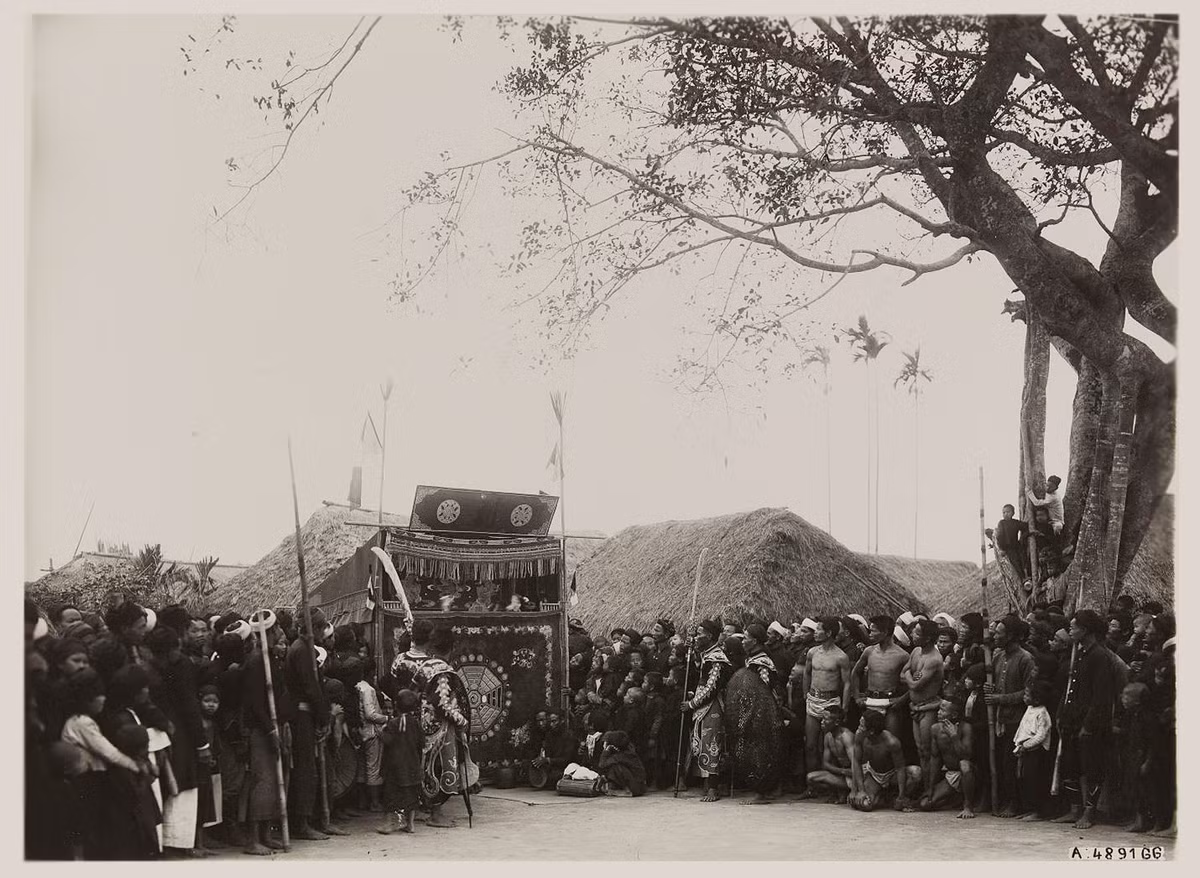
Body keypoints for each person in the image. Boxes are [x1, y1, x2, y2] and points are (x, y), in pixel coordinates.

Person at [392, 622, 477, 827]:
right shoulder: (438, 668)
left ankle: (415, 810)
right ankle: (436, 814)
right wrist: (463, 721)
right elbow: (443, 705)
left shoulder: (400, 661)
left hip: (407, 721)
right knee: (438, 768)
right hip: (434, 728)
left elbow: (400, 690)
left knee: (414, 767)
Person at [1053, 609, 1115, 830]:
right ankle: (1074, 809)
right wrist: (1062, 714)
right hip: (1071, 721)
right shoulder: (1079, 653)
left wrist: (1088, 726)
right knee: (1070, 764)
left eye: (1074, 626)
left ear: (1085, 630)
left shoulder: (1099, 656)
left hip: (1089, 724)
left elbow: (1100, 697)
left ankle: (1089, 811)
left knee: (1091, 768)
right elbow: (1071, 689)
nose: (1070, 629)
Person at [726, 623, 784, 803]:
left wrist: (758, 714)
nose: (743, 642)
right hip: (752, 712)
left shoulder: (762, 662)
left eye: (745, 638)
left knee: (761, 751)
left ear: (755, 641)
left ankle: (762, 792)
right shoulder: (752, 659)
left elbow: (764, 690)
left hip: (761, 714)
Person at [984, 615, 1036, 818]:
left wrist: (999, 698)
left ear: (1012, 636)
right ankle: (1005, 800)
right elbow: (995, 685)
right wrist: (990, 689)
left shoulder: (1025, 659)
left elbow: (1028, 693)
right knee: (1003, 764)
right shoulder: (997, 656)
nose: (995, 636)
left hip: (1017, 721)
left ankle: (1017, 804)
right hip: (999, 720)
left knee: (1013, 765)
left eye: (999, 632)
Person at [683, 619, 732, 802]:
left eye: (699, 634)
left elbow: (711, 687)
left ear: (710, 636)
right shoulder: (707, 655)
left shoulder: (717, 658)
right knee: (703, 742)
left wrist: (692, 704)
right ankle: (707, 782)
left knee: (712, 743)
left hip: (713, 705)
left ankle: (713, 787)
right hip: (703, 704)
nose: (697, 637)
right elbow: (701, 675)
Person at [802, 617, 852, 794]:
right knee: (810, 745)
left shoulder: (841, 657)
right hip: (813, 700)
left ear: (829, 633)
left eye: (818, 629)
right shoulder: (812, 652)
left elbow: (847, 683)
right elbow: (807, 674)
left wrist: (844, 707)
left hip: (831, 703)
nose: (815, 632)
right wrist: (805, 695)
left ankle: (832, 788)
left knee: (830, 746)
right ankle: (812, 786)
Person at [900, 618, 943, 802]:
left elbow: (916, 686)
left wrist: (910, 677)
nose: (912, 635)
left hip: (928, 708)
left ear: (927, 638)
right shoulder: (916, 651)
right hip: (915, 707)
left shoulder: (934, 659)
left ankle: (930, 789)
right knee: (920, 750)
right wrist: (911, 676)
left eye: (917, 633)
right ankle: (926, 788)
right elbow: (903, 675)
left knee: (928, 750)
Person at [851, 615, 910, 742]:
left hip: (890, 704)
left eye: (873, 631)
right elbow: (855, 673)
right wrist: (856, 696)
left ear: (885, 632)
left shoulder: (902, 655)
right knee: (865, 742)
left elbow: (914, 683)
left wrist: (901, 700)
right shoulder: (869, 651)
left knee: (891, 742)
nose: (870, 634)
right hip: (870, 701)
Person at [376, 688, 424, 835]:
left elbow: (388, 740)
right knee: (411, 796)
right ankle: (410, 825)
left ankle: (391, 823)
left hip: (395, 766)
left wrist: (380, 732)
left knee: (392, 795)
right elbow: (421, 742)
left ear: (396, 705)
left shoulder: (393, 723)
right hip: (412, 765)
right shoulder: (416, 723)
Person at [851, 709, 918, 811]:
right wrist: (860, 790)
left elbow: (900, 768)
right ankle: (883, 797)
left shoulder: (891, 742)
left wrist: (902, 796)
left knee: (916, 773)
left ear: (871, 731)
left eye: (861, 726)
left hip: (892, 774)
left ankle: (897, 798)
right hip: (874, 775)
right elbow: (856, 762)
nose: (858, 729)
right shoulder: (860, 736)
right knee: (864, 804)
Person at [927, 698, 975, 818]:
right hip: (951, 775)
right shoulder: (935, 729)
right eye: (939, 709)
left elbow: (966, 756)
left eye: (943, 710)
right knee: (925, 804)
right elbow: (935, 759)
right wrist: (931, 786)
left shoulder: (965, 727)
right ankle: (955, 799)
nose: (938, 712)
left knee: (964, 764)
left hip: (968, 773)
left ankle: (968, 806)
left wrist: (954, 736)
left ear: (953, 714)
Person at [1012, 680, 1053, 821]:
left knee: (1035, 781)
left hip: (1037, 752)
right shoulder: (1029, 709)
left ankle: (1038, 811)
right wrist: (1018, 744)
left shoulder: (1043, 713)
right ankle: (1028, 809)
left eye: (1027, 695)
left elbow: (1041, 735)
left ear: (1037, 698)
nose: (1024, 697)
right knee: (1023, 779)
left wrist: (1027, 745)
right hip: (1025, 750)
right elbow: (1023, 728)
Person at [804, 704, 857, 803]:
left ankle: (852, 790)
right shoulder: (828, 736)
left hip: (857, 776)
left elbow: (856, 765)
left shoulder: (846, 737)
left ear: (836, 722)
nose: (822, 722)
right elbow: (826, 764)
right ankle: (841, 791)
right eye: (822, 718)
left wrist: (855, 789)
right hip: (844, 774)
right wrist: (843, 771)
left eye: (825, 719)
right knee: (810, 778)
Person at [992, 503, 1030, 579]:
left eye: (1008, 512)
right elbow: (999, 536)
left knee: (1023, 559)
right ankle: (1023, 578)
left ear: (1013, 513)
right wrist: (1002, 549)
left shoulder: (1015, 522)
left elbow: (1025, 527)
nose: (1005, 514)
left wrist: (1022, 538)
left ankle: (1027, 576)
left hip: (1017, 545)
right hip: (1008, 548)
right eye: (1004, 512)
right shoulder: (1001, 523)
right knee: (1016, 562)